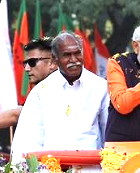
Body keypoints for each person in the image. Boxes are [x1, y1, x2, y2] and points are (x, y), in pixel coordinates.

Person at [11, 33, 110, 161]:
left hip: (91, 172)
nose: (74, 59)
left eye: (77, 53)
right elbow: (29, 139)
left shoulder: (100, 87)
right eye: (67, 55)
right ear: (54, 59)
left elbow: (109, 134)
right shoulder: (41, 92)